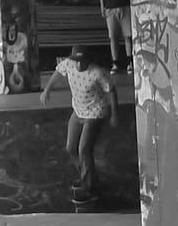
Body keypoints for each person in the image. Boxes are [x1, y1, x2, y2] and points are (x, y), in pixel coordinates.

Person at [40, 46, 119, 198]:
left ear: (88, 61)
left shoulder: (97, 73)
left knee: (84, 150)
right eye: (76, 62)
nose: (78, 65)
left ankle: (90, 187)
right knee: (70, 147)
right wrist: (47, 90)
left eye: (82, 62)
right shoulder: (69, 64)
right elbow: (57, 73)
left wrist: (115, 114)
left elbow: (112, 91)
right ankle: (88, 176)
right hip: (78, 111)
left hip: (95, 113)